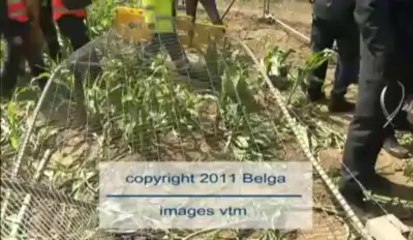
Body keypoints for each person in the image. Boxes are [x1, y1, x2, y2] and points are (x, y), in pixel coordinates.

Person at [339, 0, 413, 208]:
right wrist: (382, 52)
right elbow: (368, 8)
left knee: (386, 115)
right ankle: (350, 186)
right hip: (383, 50)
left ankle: (365, 174)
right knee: (370, 116)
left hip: (404, 48)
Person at [306, 0, 359, 113]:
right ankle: (337, 97)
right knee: (347, 57)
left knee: (318, 51)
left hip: (322, 9)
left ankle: (313, 90)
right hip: (347, 13)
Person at [0, 0, 48, 99]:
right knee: (15, 52)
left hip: (24, 23)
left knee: (34, 56)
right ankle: (5, 91)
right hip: (10, 25)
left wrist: (35, 25)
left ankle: (47, 87)